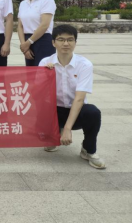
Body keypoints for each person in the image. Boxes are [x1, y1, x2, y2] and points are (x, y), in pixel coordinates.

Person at [39, 25, 106, 169]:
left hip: (75, 111)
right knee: (40, 111)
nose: (65, 43)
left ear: (75, 42)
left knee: (92, 112)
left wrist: (68, 128)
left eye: (70, 40)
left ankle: (88, 150)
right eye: (61, 39)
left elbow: (79, 98)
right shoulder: (45, 63)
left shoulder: (84, 64)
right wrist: (45, 75)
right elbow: (39, 94)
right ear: (53, 42)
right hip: (54, 111)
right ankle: (53, 134)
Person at [17, 0, 56, 66]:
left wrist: (29, 42)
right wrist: (24, 45)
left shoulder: (47, 0)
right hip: (27, 41)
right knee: (30, 73)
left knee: (43, 72)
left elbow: (44, 25)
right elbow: (20, 26)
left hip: (43, 41)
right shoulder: (23, 3)